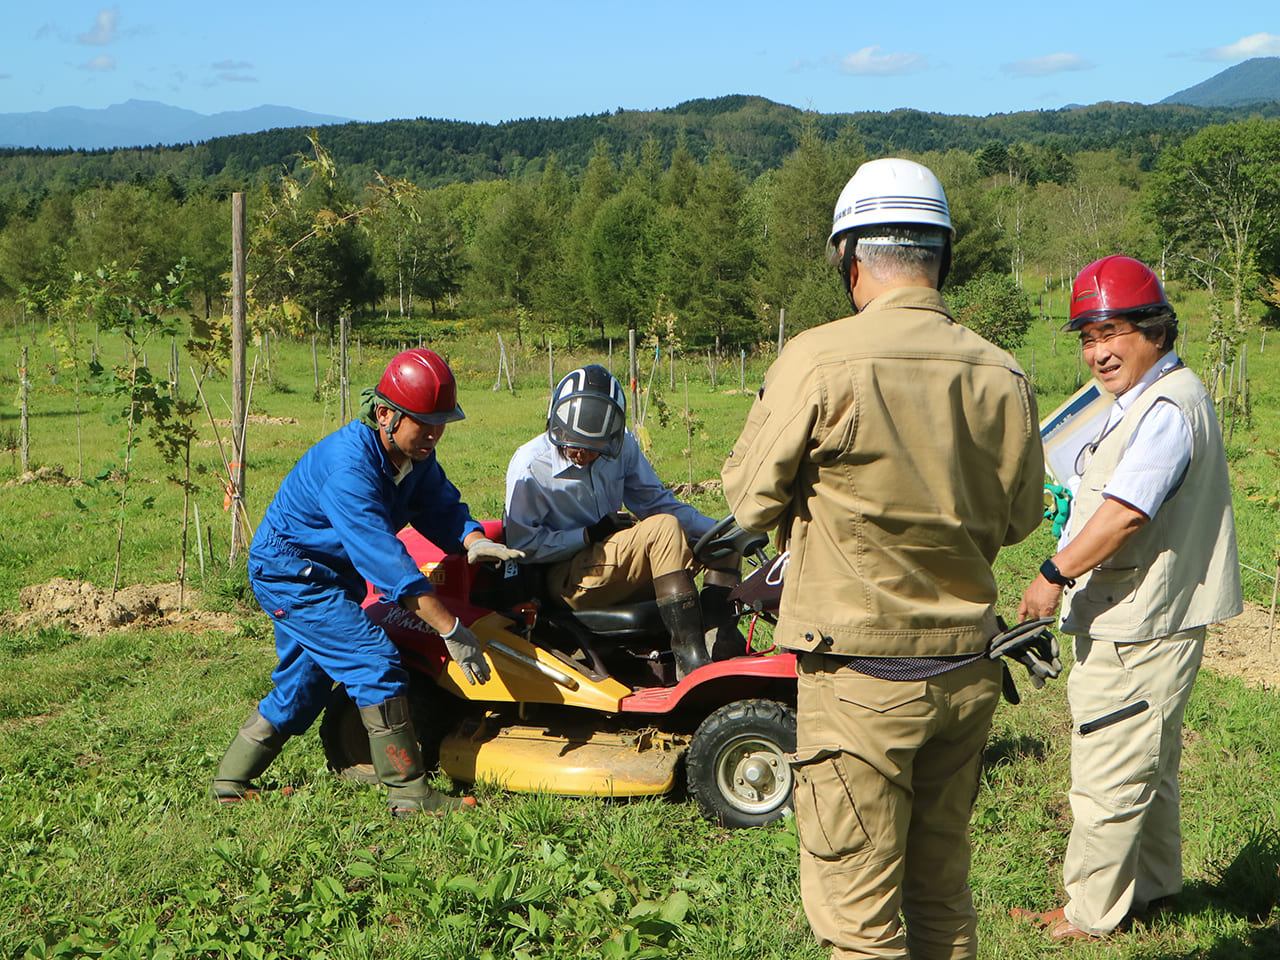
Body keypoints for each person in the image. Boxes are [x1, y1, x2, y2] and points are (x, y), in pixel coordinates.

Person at [722, 157, 1044, 960]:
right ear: (943, 255)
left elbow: (747, 502)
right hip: (969, 672)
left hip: (860, 679)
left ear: (848, 257)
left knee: (860, 926)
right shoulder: (1000, 370)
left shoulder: (819, 358)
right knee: (942, 898)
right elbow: (1019, 521)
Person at [1012, 256, 1242, 941]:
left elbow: (1126, 515)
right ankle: (1154, 888)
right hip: (1149, 613)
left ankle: (1090, 916)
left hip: (1141, 620)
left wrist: (1051, 574)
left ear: (1155, 330)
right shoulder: (1147, 399)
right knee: (1151, 762)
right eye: (1087, 336)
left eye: (1112, 331)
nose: (1098, 351)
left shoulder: (1167, 407)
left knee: (1109, 771)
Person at [210, 348, 523, 817]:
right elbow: (388, 564)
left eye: (441, 423)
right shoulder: (349, 470)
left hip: (329, 577)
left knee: (308, 681)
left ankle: (230, 783)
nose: (435, 434)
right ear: (385, 415)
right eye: (425, 422)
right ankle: (409, 793)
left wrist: (472, 539)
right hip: (291, 577)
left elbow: (440, 506)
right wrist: (451, 630)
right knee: (374, 660)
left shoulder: (412, 456)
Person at [503, 363, 738, 681]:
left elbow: (655, 502)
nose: (580, 454)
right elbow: (522, 547)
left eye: (592, 449)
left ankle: (719, 644)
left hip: (611, 558)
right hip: (565, 576)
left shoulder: (622, 444)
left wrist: (720, 531)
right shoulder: (531, 465)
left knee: (721, 544)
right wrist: (587, 534)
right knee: (663, 528)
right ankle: (690, 658)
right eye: (573, 445)